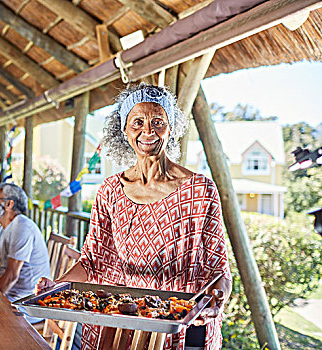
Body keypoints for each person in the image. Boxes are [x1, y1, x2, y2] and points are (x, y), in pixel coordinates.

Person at [35, 83, 232, 350]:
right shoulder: (109, 191)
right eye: (137, 122)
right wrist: (55, 287)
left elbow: (219, 271)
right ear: (125, 132)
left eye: (158, 122)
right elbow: (92, 262)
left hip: (180, 331)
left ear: (171, 128)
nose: (147, 131)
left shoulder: (200, 191)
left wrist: (219, 298)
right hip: (118, 329)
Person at [0, 183, 50, 305]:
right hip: (10, 294)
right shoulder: (3, 229)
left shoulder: (22, 227)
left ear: (9, 204)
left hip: (27, 302)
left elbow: (12, 276)